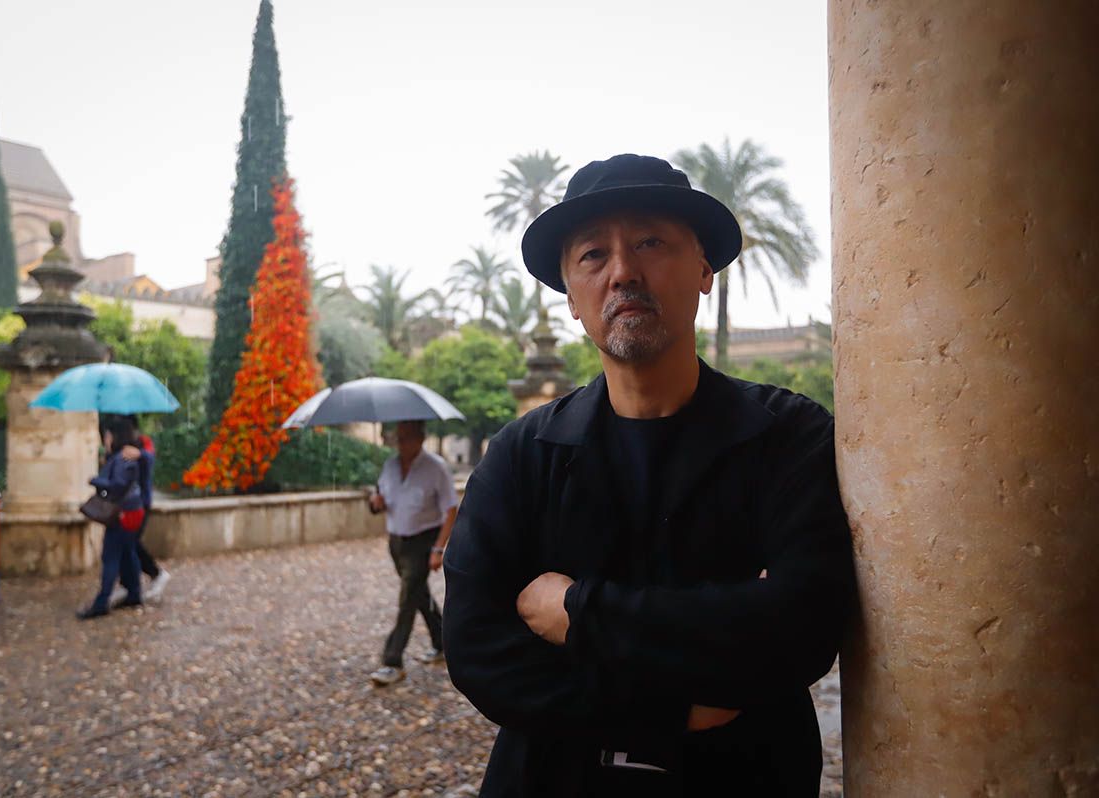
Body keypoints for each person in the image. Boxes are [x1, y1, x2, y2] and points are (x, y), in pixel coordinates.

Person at [443, 154, 856, 796]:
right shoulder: (522, 454)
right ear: (572, 299)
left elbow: (802, 629)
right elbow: (478, 651)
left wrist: (577, 609)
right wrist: (670, 708)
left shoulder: (788, 436)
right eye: (592, 256)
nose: (623, 272)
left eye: (649, 242)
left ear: (703, 272)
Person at [367, 419, 459, 687]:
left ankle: (392, 660)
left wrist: (439, 548)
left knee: (407, 598)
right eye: (399, 437)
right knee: (418, 594)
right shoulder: (389, 466)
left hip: (423, 541)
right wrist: (376, 503)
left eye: (406, 437)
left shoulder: (436, 468)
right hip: (397, 542)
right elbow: (379, 500)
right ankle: (442, 642)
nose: (401, 442)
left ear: (420, 438)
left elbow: (451, 509)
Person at [77, 416, 146, 620]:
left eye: (107, 435)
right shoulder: (120, 456)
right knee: (127, 552)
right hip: (131, 511)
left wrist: (96, 480)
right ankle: (134, 593)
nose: (104, 438)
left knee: (111, 555)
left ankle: (102, 601)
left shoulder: (124, 457)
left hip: (123, 513)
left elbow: (117, 484)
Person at [110, 414, 170, 605]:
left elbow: (150, 458)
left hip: (140, 503)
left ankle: (156, 574)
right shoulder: (117, 445)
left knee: (131, 542)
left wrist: (139, 454)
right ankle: (128, 585)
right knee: (125, 544)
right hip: (122, 504)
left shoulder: (143, 442)